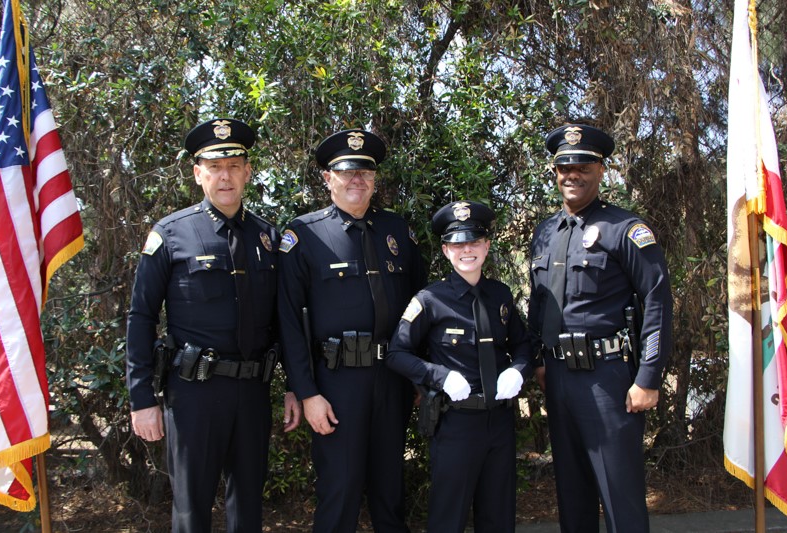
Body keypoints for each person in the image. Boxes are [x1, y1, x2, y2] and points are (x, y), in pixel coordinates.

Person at [126, 118, 301, 532]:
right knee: (192, 508)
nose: (226, 176)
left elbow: (285, 320)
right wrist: (141, 398)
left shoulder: (267, 237)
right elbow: (141, 317)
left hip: (252, 391)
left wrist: (295, 384)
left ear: (248, 172)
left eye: (235, 166)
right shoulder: (170, 234)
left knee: (248, 508)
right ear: (198, 173)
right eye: (215, 167)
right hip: (194, 394)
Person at [278, 128, 427, 532]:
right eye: (346, 172)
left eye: (365, 171)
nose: (356, 179)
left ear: (375, 178)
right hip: (336, 382)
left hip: (392, 379)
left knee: (390, 491)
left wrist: (418, 376)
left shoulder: (398, 232)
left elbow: (420, 306)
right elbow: (289, 321)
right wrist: (307, 392)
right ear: (328, 178)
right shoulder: (303, 235)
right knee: (339, 492)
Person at [528, 123, 673, 533]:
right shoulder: (546, 232)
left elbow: (657, 301)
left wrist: (648, 376)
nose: (572, 174)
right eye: (564, 166)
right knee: (572, 499)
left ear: (601, 169)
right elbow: (538, 303)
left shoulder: (625, 229)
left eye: (583, 165)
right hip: (557, 379)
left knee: (620, 498)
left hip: (607, 380)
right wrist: (540, 361)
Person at [387, 200, 535, 533]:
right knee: (447, 519)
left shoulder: (501, 295)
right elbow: (397, 352)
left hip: (499, 421)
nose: (466, 250)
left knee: (499, 518)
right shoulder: (429, 300)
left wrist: (519, 370)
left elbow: (523, 345)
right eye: (457, 243)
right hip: (455, 423)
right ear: (445, 250)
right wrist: (440, 376)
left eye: (474, 241)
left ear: (487, 245)